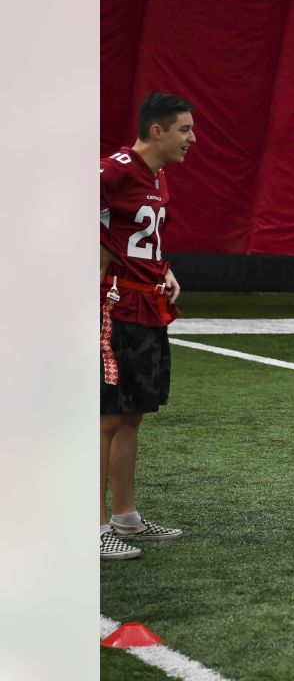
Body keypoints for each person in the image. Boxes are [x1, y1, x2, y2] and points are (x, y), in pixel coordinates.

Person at [99, 92, 197, 560]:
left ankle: (125, 516)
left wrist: (164, 268)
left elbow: (141, 237)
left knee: (132, 413)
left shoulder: (158, 178)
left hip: (147, 308)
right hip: (115, 309)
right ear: (156, 130)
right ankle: (90, 526)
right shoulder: (115, 168)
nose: (192, 139)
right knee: (104, 417)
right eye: (184, 130)